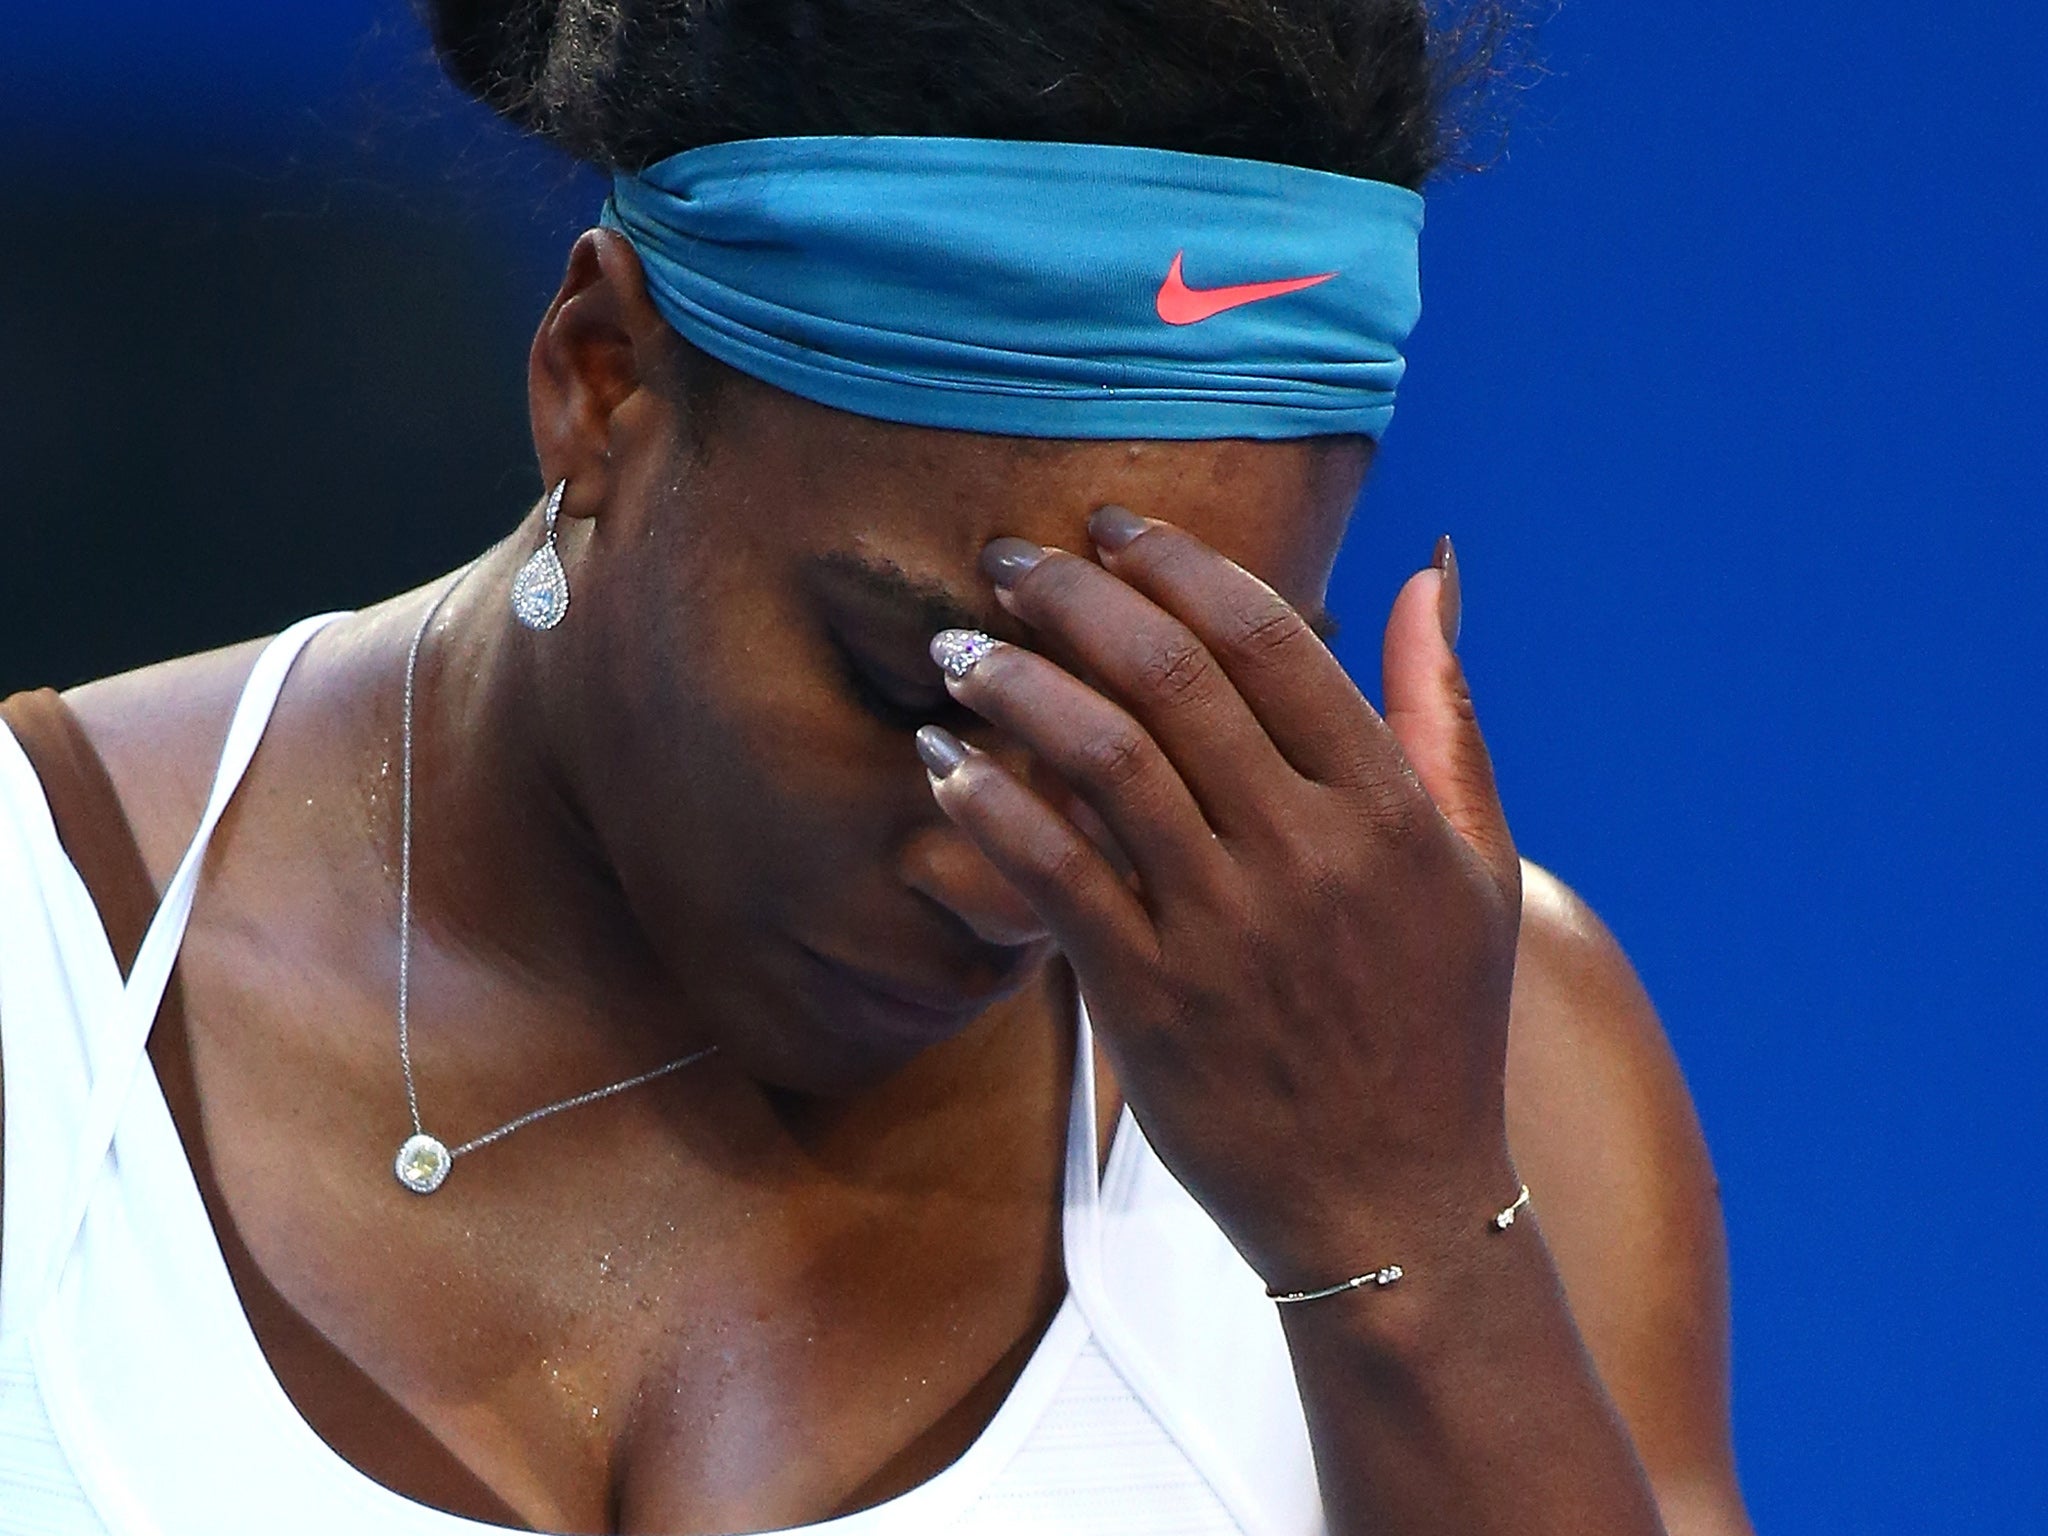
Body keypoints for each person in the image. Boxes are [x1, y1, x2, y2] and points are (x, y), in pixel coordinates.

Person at [0, 2, 1753, 1533]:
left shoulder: (1491, 1094)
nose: (1011, 869)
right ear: (603, 382)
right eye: (915, 678)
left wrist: (1411, 1237)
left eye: (1158, 715)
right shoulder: (32, 978)